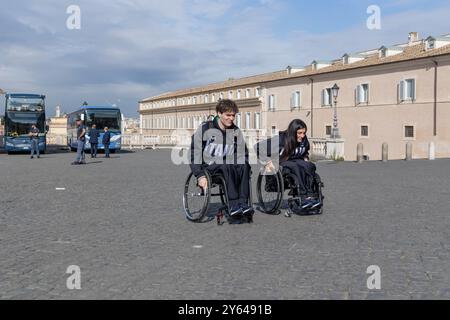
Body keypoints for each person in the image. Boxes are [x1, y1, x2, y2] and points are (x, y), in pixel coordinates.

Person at [190, 99, 253, 218]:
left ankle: (244, 203)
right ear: (219, 113)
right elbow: (195, 152)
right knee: (225, 164)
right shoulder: (206, 128)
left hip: (228, 164)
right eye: (227, 115)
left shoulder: (235, 130)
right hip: (209, 166)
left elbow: (242, 152)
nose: (231, 118)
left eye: (233, 115)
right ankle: (233, 204)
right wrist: (200, 175)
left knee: (244, 164)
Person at [260, 119, 319, 209]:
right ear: (292, 132)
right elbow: (259, 147)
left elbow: (305, 151)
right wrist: (267, 162)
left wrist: (306, 158)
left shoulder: (304, 139)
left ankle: (310, 195)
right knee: (295, 167)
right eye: (299, 133)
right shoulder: (281, 139)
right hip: (282, 162)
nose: (302, 136)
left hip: (297, 160)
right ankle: (303, 196)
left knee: (310, 165)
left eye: (304, 133)